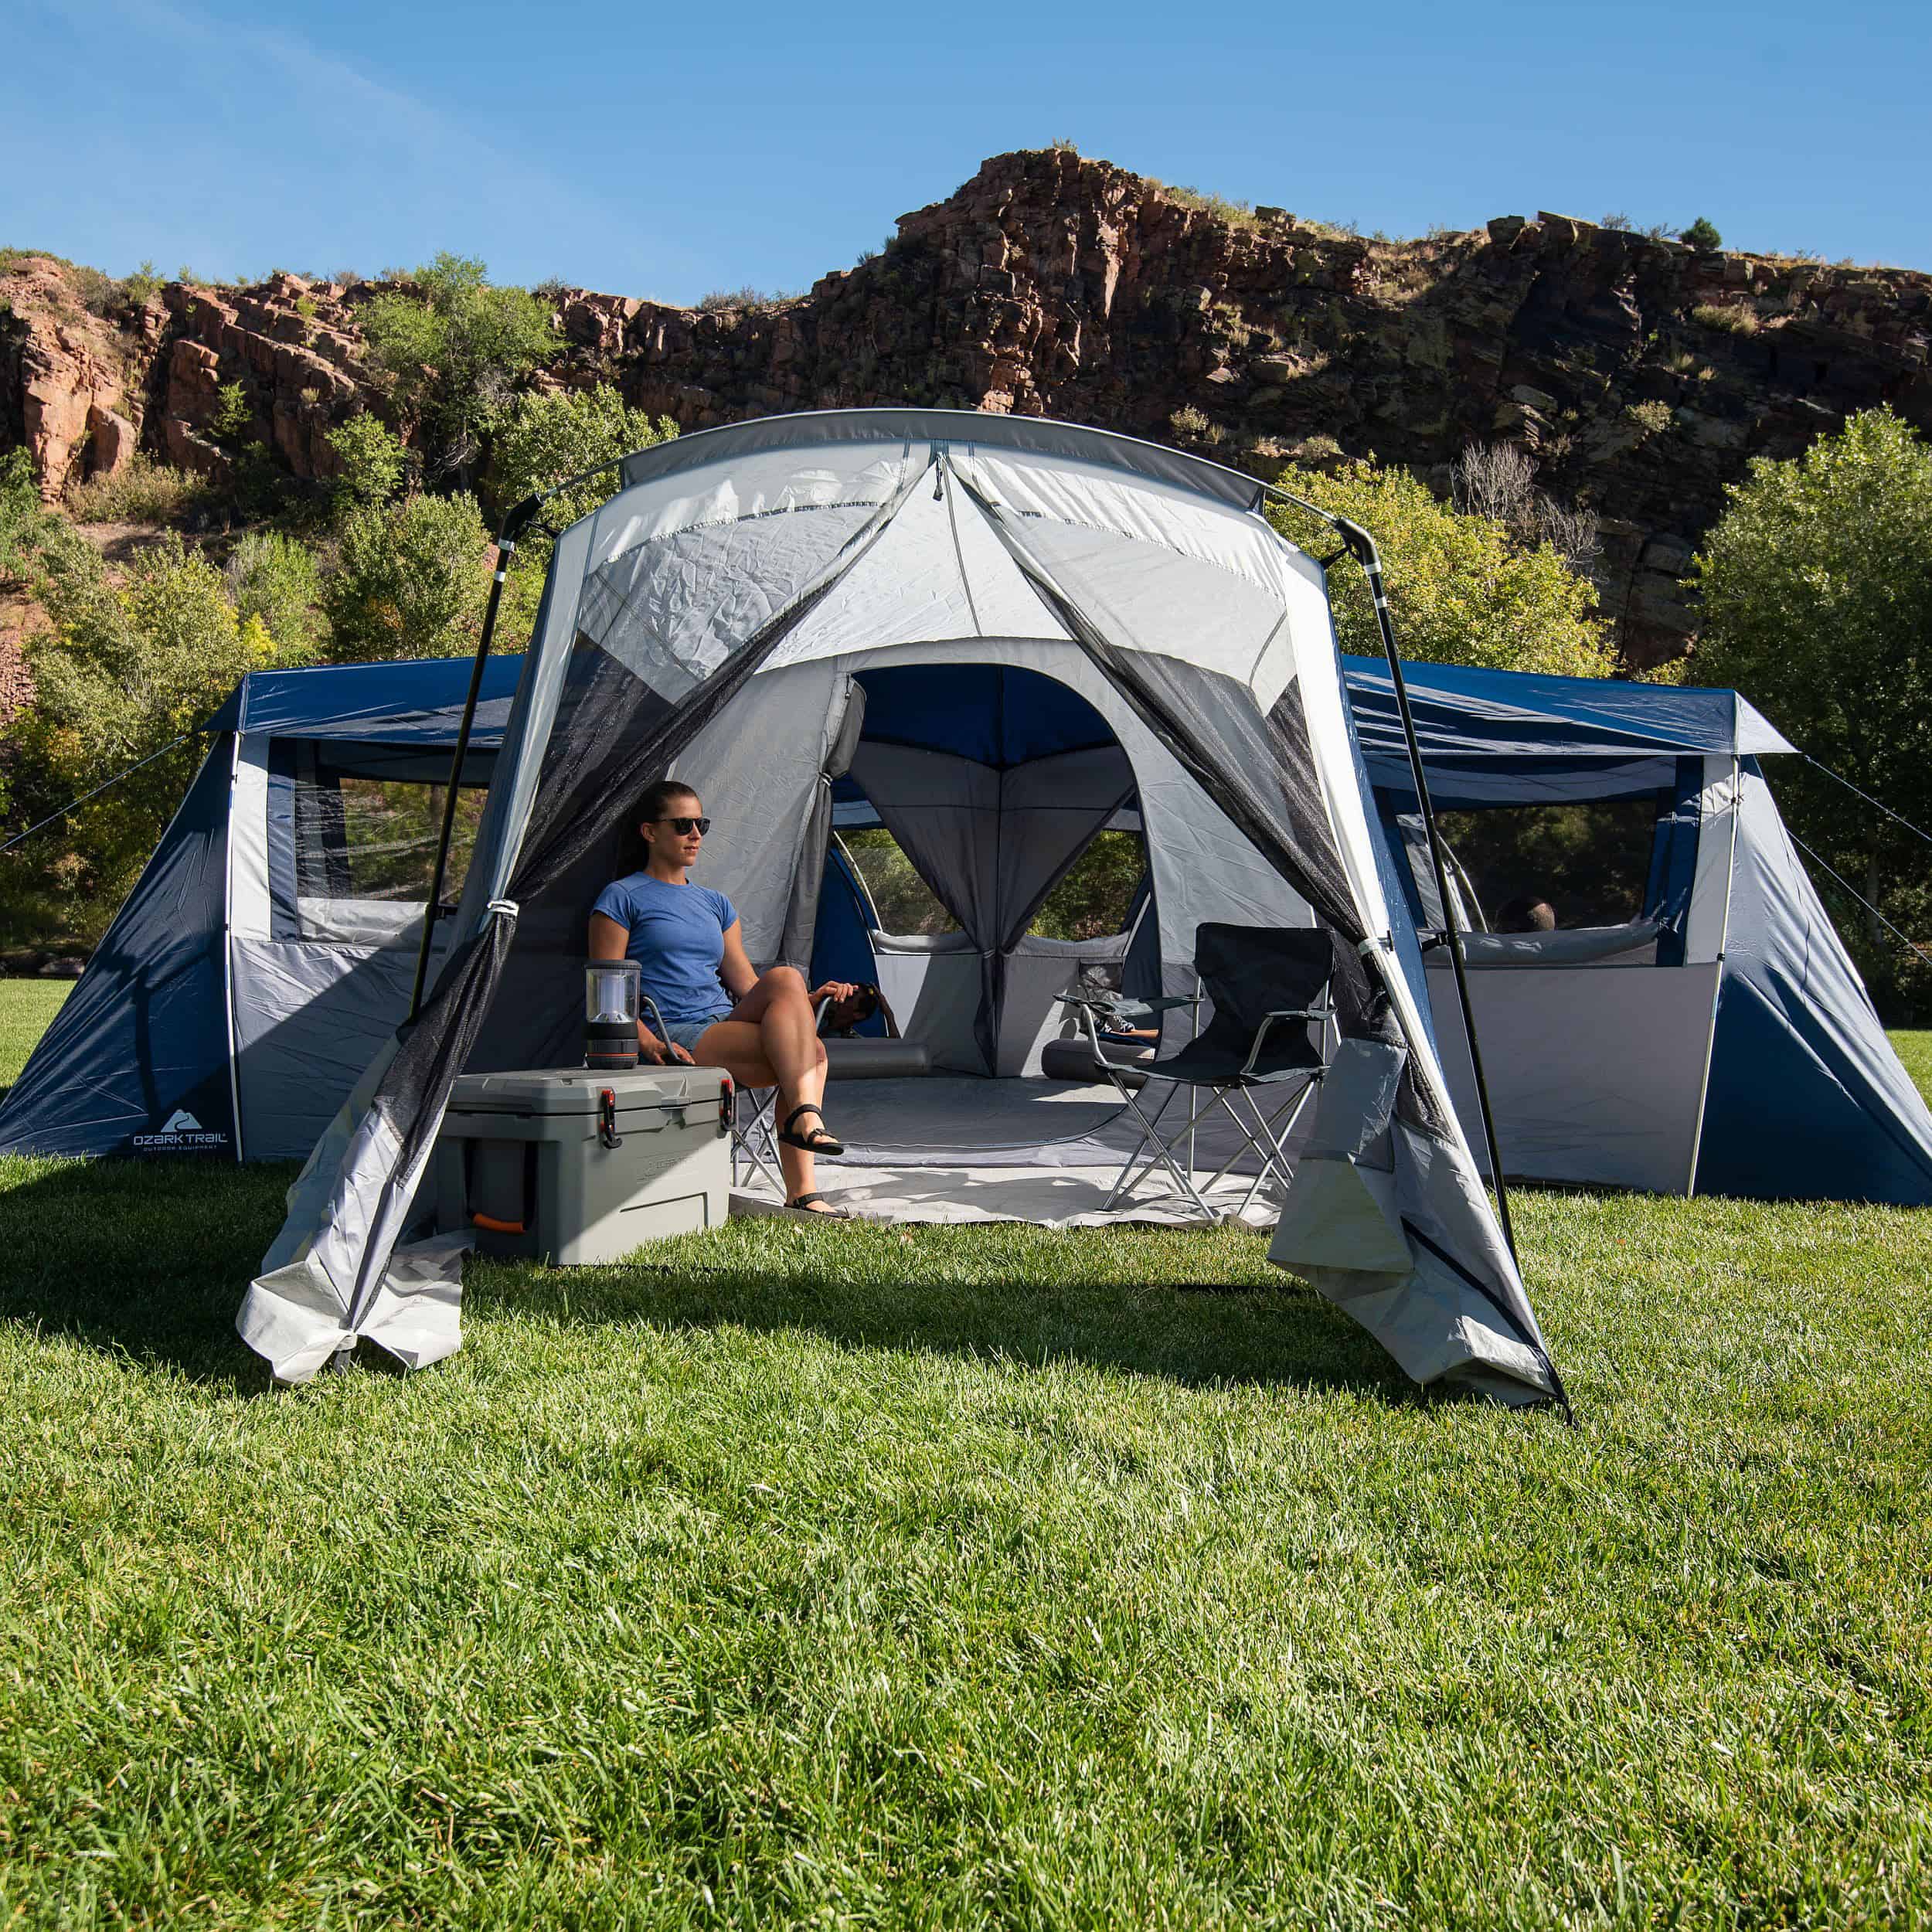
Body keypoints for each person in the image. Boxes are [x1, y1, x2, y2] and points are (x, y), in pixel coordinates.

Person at [588, 781, 857, 1218]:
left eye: (701, 824)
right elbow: (608, 991)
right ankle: (803, 1184)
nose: (695, 834)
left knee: (787, 978)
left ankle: (803, 1121)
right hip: (671, 1030)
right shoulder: (621, 898)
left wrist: (807, 999)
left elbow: (750, 988)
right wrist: (651, 1045)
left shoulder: (715, 904)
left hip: (722, 1019)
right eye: (682, 825)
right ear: (649, 832)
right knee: (815, 1055)